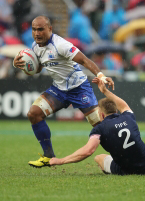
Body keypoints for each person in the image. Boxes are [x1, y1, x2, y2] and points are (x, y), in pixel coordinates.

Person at [13, 16, 114, 168]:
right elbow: (37, 68)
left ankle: (120, 155)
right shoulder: (35, 46)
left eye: (40, 29)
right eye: (34, 29)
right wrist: (20, 65)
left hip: (80, 88)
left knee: (100, 126)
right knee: (33, 113)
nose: (36, 33)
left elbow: (85, 60)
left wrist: (100, 75)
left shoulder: (61, 45)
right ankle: (48, 156)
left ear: (50, 29)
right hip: (59, 90)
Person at [49, 77, 145, 176]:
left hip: (127, 169)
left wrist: (60, 160)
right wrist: (105, 91)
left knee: (99, 158)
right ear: (116, 110)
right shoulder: (128, 116)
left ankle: (114, 167)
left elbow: (88, 151)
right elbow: (123, 104)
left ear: (101, 114)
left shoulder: (99, 128)